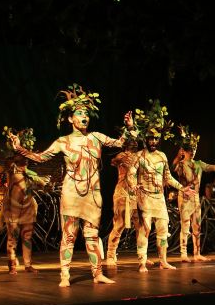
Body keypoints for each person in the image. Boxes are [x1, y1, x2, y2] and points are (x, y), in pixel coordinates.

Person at [9, 84, 136, 287]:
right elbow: (41, 158)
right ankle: (65, 275)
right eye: (79, 113)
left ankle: (98, 273)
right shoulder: (62, 141)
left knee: (92, 235)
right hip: (71, 192)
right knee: (69, 234)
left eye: (86, 113)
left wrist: (130, 127)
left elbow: (120, 143)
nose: (84, 116)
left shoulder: (96, 137)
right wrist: (20, 149)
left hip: (93, 194)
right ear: (70, 118)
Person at [130, 101, 192, 272]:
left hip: (159, 198)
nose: (154, 141)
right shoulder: (139, 156)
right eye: (151, 138)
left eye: (156, 138)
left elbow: (168, 177)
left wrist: (182, 187)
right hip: (145, 197)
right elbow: (130, 172)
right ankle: (142, 262)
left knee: (163, 229)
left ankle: (163, 260)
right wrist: (133, 184)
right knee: (145, 228)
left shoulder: (162, 156)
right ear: (146, 139)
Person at [172, 124, 215, 262]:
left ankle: (197, 253)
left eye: (194, 148)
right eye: (190, 149)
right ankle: (183, 253)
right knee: (185, 225)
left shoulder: (199, 163)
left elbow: (214, 167)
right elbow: (172, 168)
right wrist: (178, 156)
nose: (193, 151)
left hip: (195, 198)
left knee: (197, 225)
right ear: (185, 150)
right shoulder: (181, 164)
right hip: (184, 196)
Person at [1, 127, 50, 275]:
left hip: (27, 205)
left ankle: (28, 264)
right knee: (13, 236)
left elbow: (35, 182)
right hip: (13, 207)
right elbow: (11, 169)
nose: (24, 161)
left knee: (27, 236)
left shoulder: (29, 171)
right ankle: (12, 265)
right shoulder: (11, 166)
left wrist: (41, 181)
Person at [106, 137, 140, 267]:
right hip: (122, 193)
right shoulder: (122, 155)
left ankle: (141, 255)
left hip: (135, 195)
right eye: (131, 142)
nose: (134, 143)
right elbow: (113, 161)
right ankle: (110, 254)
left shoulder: (138, 157)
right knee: (119, 224)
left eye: (135, 142)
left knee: (140, 226)